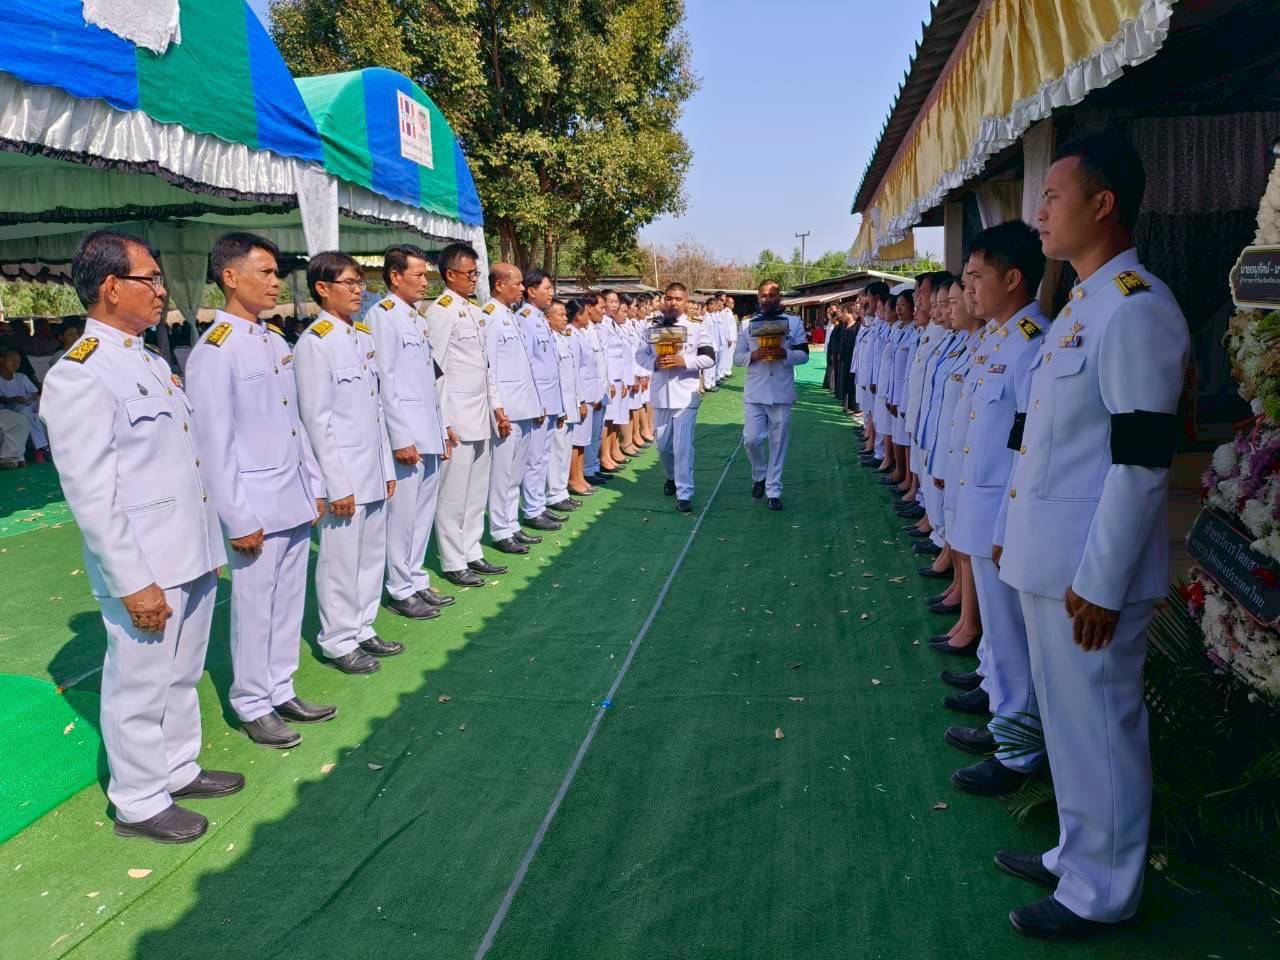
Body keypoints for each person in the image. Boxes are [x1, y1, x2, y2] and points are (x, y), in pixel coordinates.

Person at [994, 132, 1189, 940]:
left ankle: (1103, 892)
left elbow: (1141, 463)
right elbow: (1046, 447)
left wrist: (1102, 582)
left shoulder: (1138, 307)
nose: (1039, 212)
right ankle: (1078, 853)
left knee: (1101, 728)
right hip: (1049, 562)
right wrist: (1009, 531)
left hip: (1089, 574)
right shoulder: (1082, 305)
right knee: (1070, 726)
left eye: (1052, 197)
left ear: (1103, 204)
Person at [41, 230, 237, 844]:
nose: (160, 290)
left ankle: (177, 768)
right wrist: (133, 582)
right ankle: (139, 800)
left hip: (189, 551)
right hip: (146, 563)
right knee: (139, 684)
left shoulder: (148, 359)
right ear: (110, 287)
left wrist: (207, 547)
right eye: (149, 278)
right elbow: (92, 495)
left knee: (181, 674)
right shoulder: (81, 373)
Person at [185, 232, 334, 748]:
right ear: (230, 277)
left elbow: (294, 424)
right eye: (265, 272)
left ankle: (280, 687)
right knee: (254, 608)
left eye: (276, 273)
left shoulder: (273, 341)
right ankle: (252, 702)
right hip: (255, 505)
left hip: (291, 494)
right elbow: (214, 444)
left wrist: (314, 484)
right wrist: (238, 517)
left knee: (288, 602)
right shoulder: (215, 351)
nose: (275, 282)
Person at [943, 221, 1047, 798]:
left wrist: (1009, 520)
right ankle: (1000, 712)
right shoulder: (999, 339)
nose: (968, 289)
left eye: (976, 277)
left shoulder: (1032, 341)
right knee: (1002, 636)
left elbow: (1026, 444)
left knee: (1011, 635)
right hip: (981, 505)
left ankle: (1017, 751)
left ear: (1012, 279)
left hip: (1004, 513)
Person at [294, 251, 402, 674]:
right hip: (344, 474)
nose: (359, 291)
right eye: (350, 283)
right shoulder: (315, 343)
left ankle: (362, 626)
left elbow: (376, 410)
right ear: (323, 288)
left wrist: (387, 467)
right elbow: (316, 421)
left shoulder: (361, 336)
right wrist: (334, 484)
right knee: (339, 561)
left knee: (371, 555)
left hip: (372, 467)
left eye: (360, 283)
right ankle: (338, 639)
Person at [369, 244, 454, 621]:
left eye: (425, 275)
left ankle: (416, 579)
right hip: (407, 434)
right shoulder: (383, 316)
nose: (424, 282)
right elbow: (385, 382)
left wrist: (441, 427)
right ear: (395, 276)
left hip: (428, 430)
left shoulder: (416, 319)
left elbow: (428, 382)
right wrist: (400, 438)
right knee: (402, 517)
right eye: (418, 275)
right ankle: (400, 587)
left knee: (421, 513)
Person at [426, 243, 506, 587]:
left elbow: (486, 367)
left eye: (476, 272)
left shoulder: (474, 311)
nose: (474, 279)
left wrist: (497, 407)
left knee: (476, 492)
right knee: (453, 495)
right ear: (450, 274)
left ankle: (472, 550)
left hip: (481, 414)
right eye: (469, 273)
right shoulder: (441, 311)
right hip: (457, 416)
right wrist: (443, 421)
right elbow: (436, 371)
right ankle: (453, 559)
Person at [485, 262, 551, 557]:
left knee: (514, 474)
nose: (522, 288)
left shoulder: (511, 316)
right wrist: (497, 408)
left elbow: (526, 368)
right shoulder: (490, 317)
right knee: (502, 474)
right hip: (507, 410)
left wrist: (535, 404)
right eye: (518, 283)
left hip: (524, 406)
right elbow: (489, 368)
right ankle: (500, 529)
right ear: (499, 285)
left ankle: (511, 524)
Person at [635, 282, 715, 513]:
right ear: (664, 300)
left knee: (683, 446)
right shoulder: (651, 326)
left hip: (686, 395)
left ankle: (684, 493)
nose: (673, 303)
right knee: (662, 446)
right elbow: (640, 354)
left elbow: (710, 358)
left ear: (686, 301)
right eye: (669, 298)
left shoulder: (696, 326)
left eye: (678, 299)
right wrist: (654, 363)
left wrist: (685, 361)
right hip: (661, 394)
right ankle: (671, 476)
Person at [734, 279, 808, 510]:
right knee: (751, 439)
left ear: (780, 297)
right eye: (763, 295)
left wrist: (784, 354)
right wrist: (753, 355)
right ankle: (759, 474)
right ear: (758, 298)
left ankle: (773, 490)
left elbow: (804, 355)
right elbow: (737, 358)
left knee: (778, 443)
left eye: (772, 294)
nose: (768, 299)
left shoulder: (794, 322)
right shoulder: (747, 324)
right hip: (755, 392)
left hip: (781, 392)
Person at [518, 270, 567, 526]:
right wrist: (536, 403)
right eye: (546, 288)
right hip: (538, 402)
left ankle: (538, 504)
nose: (551, 293)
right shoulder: (524, 319)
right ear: (531, 291)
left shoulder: (539, 319)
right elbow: (527, 365)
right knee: (534, 459)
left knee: (543, 456)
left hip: (550, 400)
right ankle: (532, 509)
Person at [545, 299, 583, 512]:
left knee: (565, 450)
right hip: (559, 406)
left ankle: (561, 491)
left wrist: (577, 401)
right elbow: (553, 378)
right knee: (556, 452)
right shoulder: (549, 340)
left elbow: (571, 375)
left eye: (565, 314)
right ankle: (553, 494)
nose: (565, 318)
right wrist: (559, 408)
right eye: (560, 314)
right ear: (548, 318)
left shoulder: (563, 338)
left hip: (569, 404)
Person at [568, 298, 605, 496]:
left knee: (583, 440)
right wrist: (580, 399)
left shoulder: (580, 333)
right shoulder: (571, 335)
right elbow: (574, 371)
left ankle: (580, 475)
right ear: (578, 315)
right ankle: (573, 478)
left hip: (590, 395)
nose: (587, 316)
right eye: (585, 313)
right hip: (582, 396)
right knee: (577, 441)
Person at [0, 348, 48, 460]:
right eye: (12, 360)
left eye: (18, 362)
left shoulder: (21, 377)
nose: (16, 364)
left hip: (29, 404)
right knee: (25, 413)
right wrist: (13, 399)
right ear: (1, 360)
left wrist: (37, 403)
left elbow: (34, 394)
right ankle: (42, 447)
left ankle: (44, 447)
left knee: (39, 414)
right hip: (12, 408)